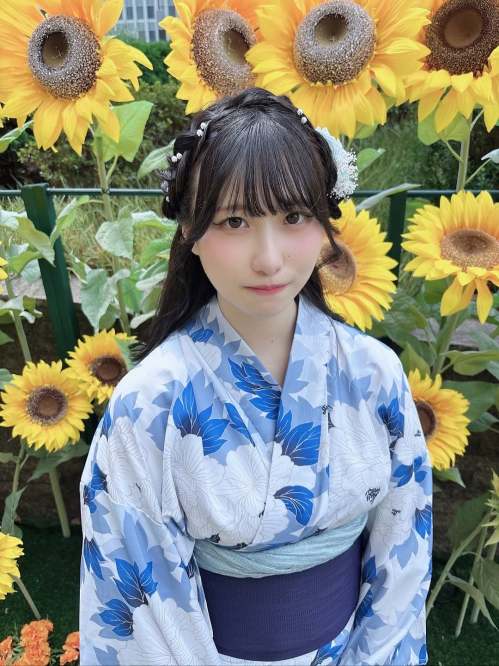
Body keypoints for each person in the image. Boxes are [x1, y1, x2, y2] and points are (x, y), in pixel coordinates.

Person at [79, 87, 432, 665]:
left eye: (293, 216)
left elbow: (403, 547)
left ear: (325, 224)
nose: (269, 259)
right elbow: (138, 599)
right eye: (235, 220)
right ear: (190, 231)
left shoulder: (374, 372)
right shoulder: (149, 403)